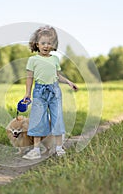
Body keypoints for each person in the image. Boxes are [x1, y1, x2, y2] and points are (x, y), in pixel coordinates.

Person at [22, 25, 78, 160]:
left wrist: (69, 82)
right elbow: (29, 78)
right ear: (37, 44)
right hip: (39, 92)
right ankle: (36, 149)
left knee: (57, 118)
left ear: (53, 45)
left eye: (49, 43)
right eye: (43, 43)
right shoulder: (33, 60)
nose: (46, 46)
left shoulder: (55, 59)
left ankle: (59, 147)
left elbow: (58, 76)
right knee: (37, 120)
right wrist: (27, 94)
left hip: (54, 92)